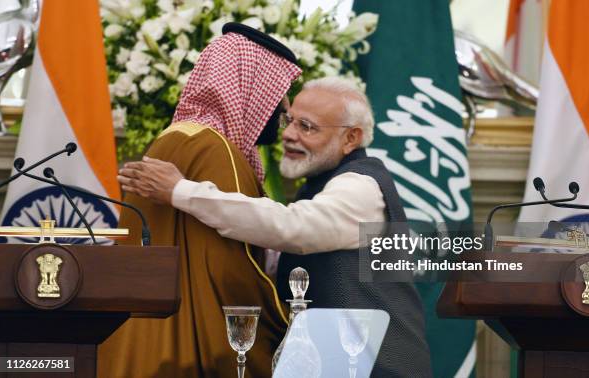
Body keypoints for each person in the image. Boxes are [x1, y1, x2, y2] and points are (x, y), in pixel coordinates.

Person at [118, 76, 433, 377]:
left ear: (351, 138)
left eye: (307, 127)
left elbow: (292, 226)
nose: (289, 134)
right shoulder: (324, 182)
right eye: (290, 121)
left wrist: (181, 191)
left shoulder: (361, 186)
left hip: (376, 366)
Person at [97, 23, 301, 378]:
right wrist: (285, 315)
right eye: (281, 91)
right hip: (191, 350)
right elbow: (231, 270)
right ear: (250, 86)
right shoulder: (218, 151)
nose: (285, 107)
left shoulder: (169, 139)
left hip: (137, 342)